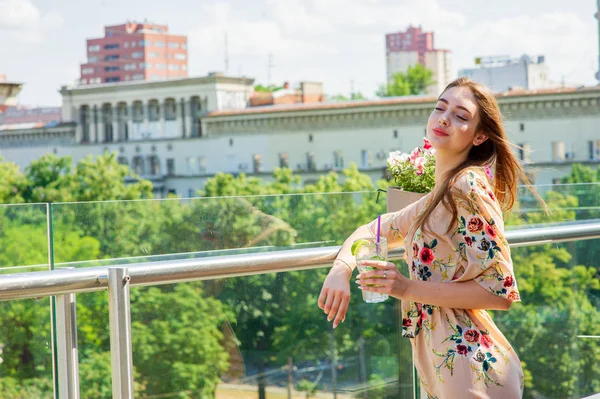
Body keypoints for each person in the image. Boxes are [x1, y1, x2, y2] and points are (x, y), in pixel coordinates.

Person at [318, 77, 543, 398]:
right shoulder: (442, 193)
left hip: (470, 371)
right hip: (447, 363)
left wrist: (405, 287)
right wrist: (342, 268)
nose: (444, 118)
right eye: (440, 108)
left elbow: (500, 293)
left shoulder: (468, 186)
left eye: (461, 116)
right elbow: (374, 229)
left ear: (480, 136)